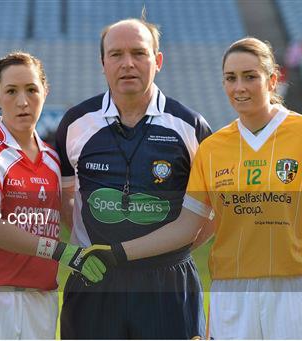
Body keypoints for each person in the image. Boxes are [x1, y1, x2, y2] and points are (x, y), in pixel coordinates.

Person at [89, 37, 302, 339]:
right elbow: (186, 227)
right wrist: (117, 253)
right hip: (231, 294)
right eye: (230, 78)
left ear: (273, 80)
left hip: (295, 290)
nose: (239, 87)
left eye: (250, 76)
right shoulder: (212, 148)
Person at [55, 17, 212, 339]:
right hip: (94, 278)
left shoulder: (190, 126)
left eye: (139, 53)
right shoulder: (76, 123)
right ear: (102, 63)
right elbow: (64, 197)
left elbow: (212, 211)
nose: (127, 64)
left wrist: (172, 252)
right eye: (116, 54)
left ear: (158, 60)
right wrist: (90, 246)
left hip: (167, 282)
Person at [0, 52, 107, 340]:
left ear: (45, 92)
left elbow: (71, 214)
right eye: (11, 91)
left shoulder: (54, 159)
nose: (22, 101)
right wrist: (62, 251)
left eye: (31, 89)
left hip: (39, 302)